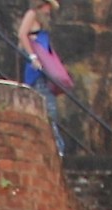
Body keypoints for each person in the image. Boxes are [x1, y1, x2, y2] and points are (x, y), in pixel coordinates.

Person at [16, 0, 68, 155]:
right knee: (47, 107)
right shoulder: (32, 14)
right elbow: (22, 34)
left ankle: (54, 147)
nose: (49, 10)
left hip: (45, 69)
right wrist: (33, 57)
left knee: (49, 107)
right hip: (37, 70)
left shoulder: (42, 21)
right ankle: (57, 148)